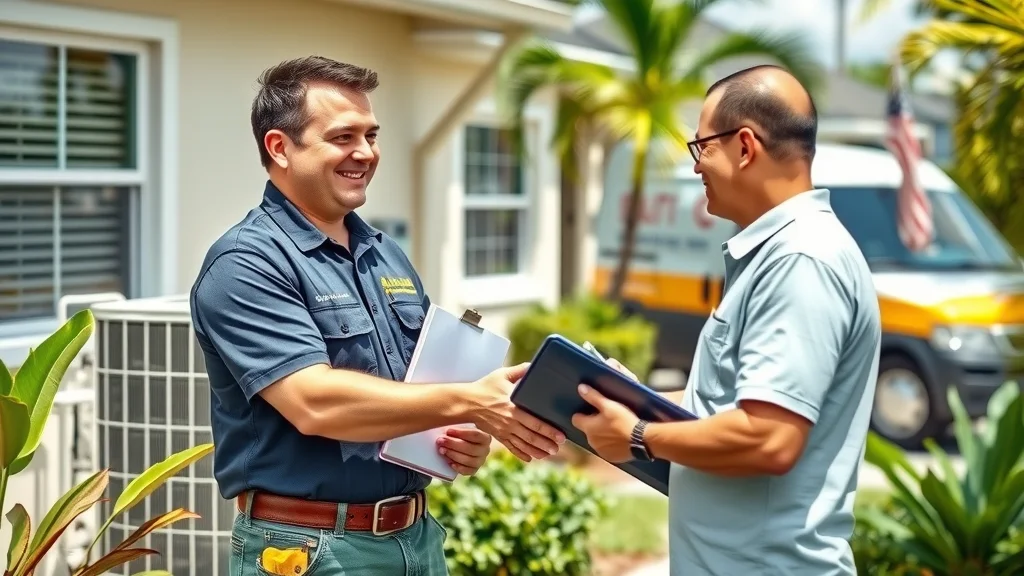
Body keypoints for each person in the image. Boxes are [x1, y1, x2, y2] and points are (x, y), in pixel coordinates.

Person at [189, 55, 565, 576]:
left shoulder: (384, 254)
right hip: (307, 551)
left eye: (371, 135)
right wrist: (471, 400)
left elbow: (416, 393)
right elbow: (312, 402)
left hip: (417, 540)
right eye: (343, 137)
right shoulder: (246, 262)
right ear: (279, 148)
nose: (365, 152)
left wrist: (460, 435)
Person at [572, 64, 882, 575]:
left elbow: (769, 437)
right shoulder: (781, 253)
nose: (696, 166)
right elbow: (729, 405)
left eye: (701, 147)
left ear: (744, 146)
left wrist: (639, 434)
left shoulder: (800, 260)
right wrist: (637, 400)